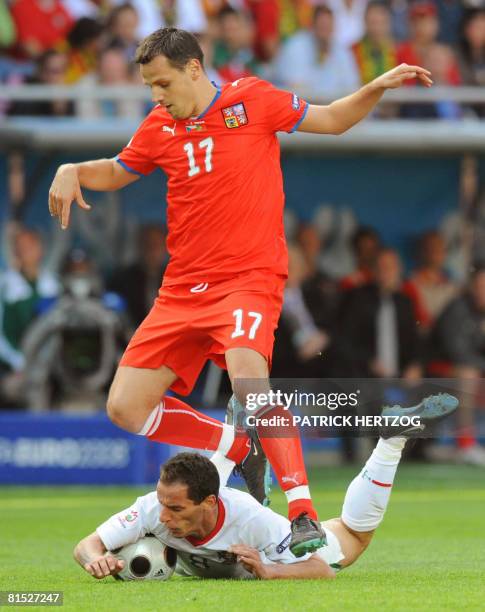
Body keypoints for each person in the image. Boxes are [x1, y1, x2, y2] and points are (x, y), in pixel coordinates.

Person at [48, 26, 432, 556]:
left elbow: (334, 119)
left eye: (163, 83)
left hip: (248, 278)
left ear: (193, 69)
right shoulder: (160, 125)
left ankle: (301, 512)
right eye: (149, 87)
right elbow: (116, 171)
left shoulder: (251, 100)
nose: (157, 96)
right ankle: (237, 445)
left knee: (250, 378)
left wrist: (377, 85)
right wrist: (73, 169)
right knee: (125, 408)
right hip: (183, 287)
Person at [73, 393, 458, 580]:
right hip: (223, 502)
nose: (165, 517)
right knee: (207, 479)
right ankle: (237, 441)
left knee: (354, 537)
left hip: (278, 538)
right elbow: (86, 544)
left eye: (176, 509)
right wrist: (95, 558)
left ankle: (390, 442)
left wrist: (269, 570)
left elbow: (322, 571)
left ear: (207, 504)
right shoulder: (153, 509)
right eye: (163, 505)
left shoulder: (252, 522)